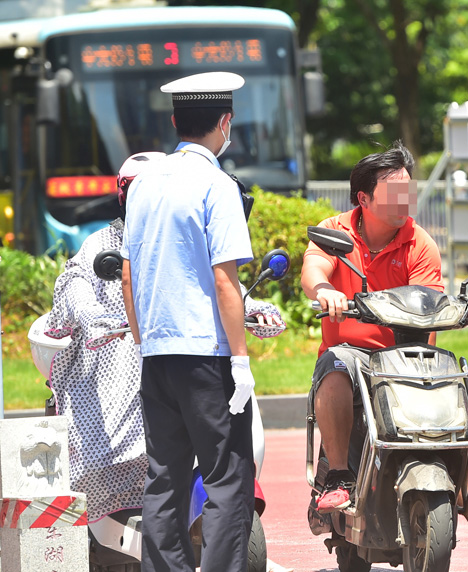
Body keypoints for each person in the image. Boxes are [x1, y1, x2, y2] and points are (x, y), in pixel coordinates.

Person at [301, 141, 468, 572]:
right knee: (335, 364)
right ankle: (337, 476)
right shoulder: (336, 231)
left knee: (461, 435)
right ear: (364, 198)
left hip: (408, 355)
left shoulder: (419, 242)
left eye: (409, 191)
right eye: (393, 192)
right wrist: (326, 291)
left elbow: (427, 300)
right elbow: (313, 268)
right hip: (353, 353)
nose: (405, 201)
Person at [121, 71, 275, 572]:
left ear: (174, 121)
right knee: (228, 478)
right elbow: (226, 281)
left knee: (163, 478)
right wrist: (241, 362)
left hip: (157, 356)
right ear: (224, 124)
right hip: (208, 358)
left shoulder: (143, 184)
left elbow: (128, 274)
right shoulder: (217, 184)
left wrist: (145, 342)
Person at [44, 151, 164, 523]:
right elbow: (75, 284)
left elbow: (220, 280)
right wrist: (92, 315)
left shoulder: (179, 239)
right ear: (126, 196)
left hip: (179, 353)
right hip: (114, 354)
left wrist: (249, 302)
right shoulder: (100, 244)